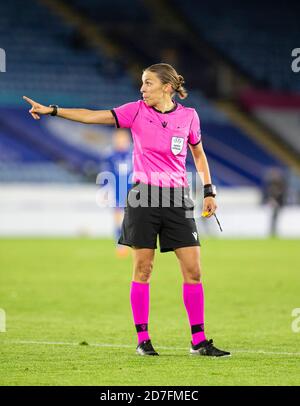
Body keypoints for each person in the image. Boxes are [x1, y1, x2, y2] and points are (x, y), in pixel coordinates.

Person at [23, 63, 230, 357]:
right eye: (142, 83)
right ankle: (143, 339)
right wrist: (54, 110)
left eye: (148, 83)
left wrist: (209, 190)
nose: (142, 88)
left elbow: (198, 152)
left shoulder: (189, 117)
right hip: (142, 196)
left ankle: (199, 341)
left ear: (167, 87)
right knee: (143, 269)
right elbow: (93, 116)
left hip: (177, 199)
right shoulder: (135, 111)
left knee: (194, 270)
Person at [102, 128, 133, 257]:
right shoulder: (109, 154)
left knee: (134, 219)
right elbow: (105, 173)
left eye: (123, 139)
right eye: (118, 139)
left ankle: (134, 244)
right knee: (118, 218)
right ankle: (120, 245)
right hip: (117, 190)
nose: (120, 141)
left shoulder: (134, 153)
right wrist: (104, 189)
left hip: (133, 189)